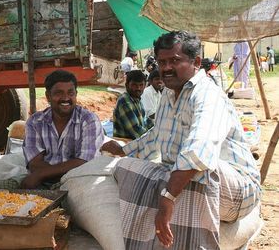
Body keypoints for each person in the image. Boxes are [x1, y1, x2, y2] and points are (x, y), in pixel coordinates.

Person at [101, 31, 261, 249]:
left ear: (195, 62)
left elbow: (199, 151)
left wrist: (167, 198)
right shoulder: (168, 94)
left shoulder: (207, 95)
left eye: (174, 61)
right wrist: (124, 150)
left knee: (197, 169)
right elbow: (156, 136)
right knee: (127, 168)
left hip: (237, 191)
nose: (166, 68)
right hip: (193, 176)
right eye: (162, 61)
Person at [21, 70, 104, 189]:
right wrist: (42, 175)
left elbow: (85, 163)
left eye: (71, 93)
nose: (66, 98)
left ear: (76, 94)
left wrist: (40, 174)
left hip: (77, 182)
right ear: (48, 96)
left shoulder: (88, 120)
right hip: (42, 182)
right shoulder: (35, 122)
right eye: (59, 93)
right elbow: (34, 163)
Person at [113, 70, 153, 140]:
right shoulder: (124, 101)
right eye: (134, 85)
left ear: (145, 86)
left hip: (136, 143)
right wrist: (155, 136)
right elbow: (136, 131)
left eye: (141, 85)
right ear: (127, 85)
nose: (138, 88)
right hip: (125, 145)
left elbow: (145, 121)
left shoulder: (137, 100)